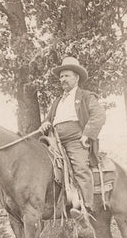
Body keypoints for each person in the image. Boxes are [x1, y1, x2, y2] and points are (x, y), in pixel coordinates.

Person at [40, 57, 106, 226]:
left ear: (76, 77)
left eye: (67, 76)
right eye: (61, 76)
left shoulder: (85, 96)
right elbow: (48, 120)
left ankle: (87, 209)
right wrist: (46, 123)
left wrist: (87, 135)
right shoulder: (57, 101)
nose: (63, 79)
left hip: (75, 139)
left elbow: (99, 116)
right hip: (54, 140)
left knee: (80, 168)